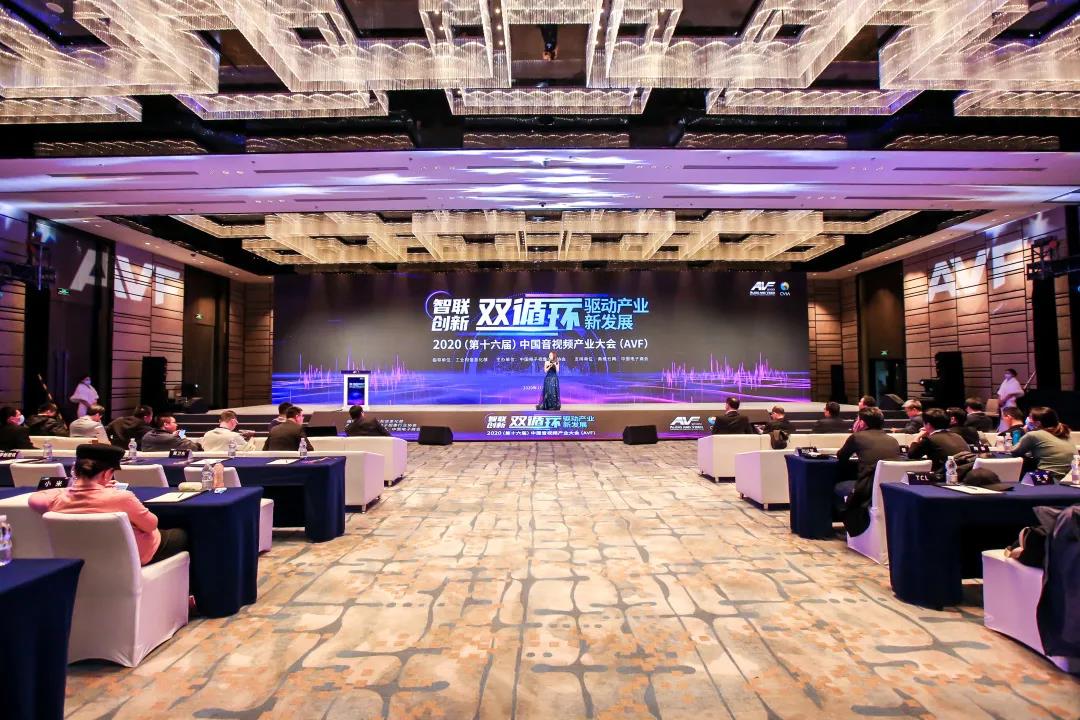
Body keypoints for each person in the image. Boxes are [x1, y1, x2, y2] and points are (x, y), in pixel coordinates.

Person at [28, 444, 187, 565]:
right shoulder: (121, 498)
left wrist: (75, 487)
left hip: (81, 558)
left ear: (75, 470)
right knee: (183, 534)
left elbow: (35, 499)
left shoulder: (58, 498)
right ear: (106, 473)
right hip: (133, 557)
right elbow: (151, 525)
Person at [835, 407, 902, 536]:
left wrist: (855, 433)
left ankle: (849, 524)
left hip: (866, 489)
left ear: (862, 423)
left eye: (857, 419)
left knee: (838, 487)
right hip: (890, 489)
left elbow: (841, 456)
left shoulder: (857, 437)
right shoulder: (893, 440)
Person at [1010, 407, 1075, 481]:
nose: (1027, 419)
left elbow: (1014, 452)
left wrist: (1026, 432)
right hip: (1069, 478)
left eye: (1030, 417)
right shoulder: (1064, 432)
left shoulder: (1033, 435)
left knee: (1015, 474)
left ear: (1037, 423)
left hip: (1047, 478)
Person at [907, 408, 971, 473]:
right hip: (966, 472)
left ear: (928, 424)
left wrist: (918, 436)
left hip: (945, 475)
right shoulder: (957, 436)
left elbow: (912, 455)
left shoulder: (930, 439)